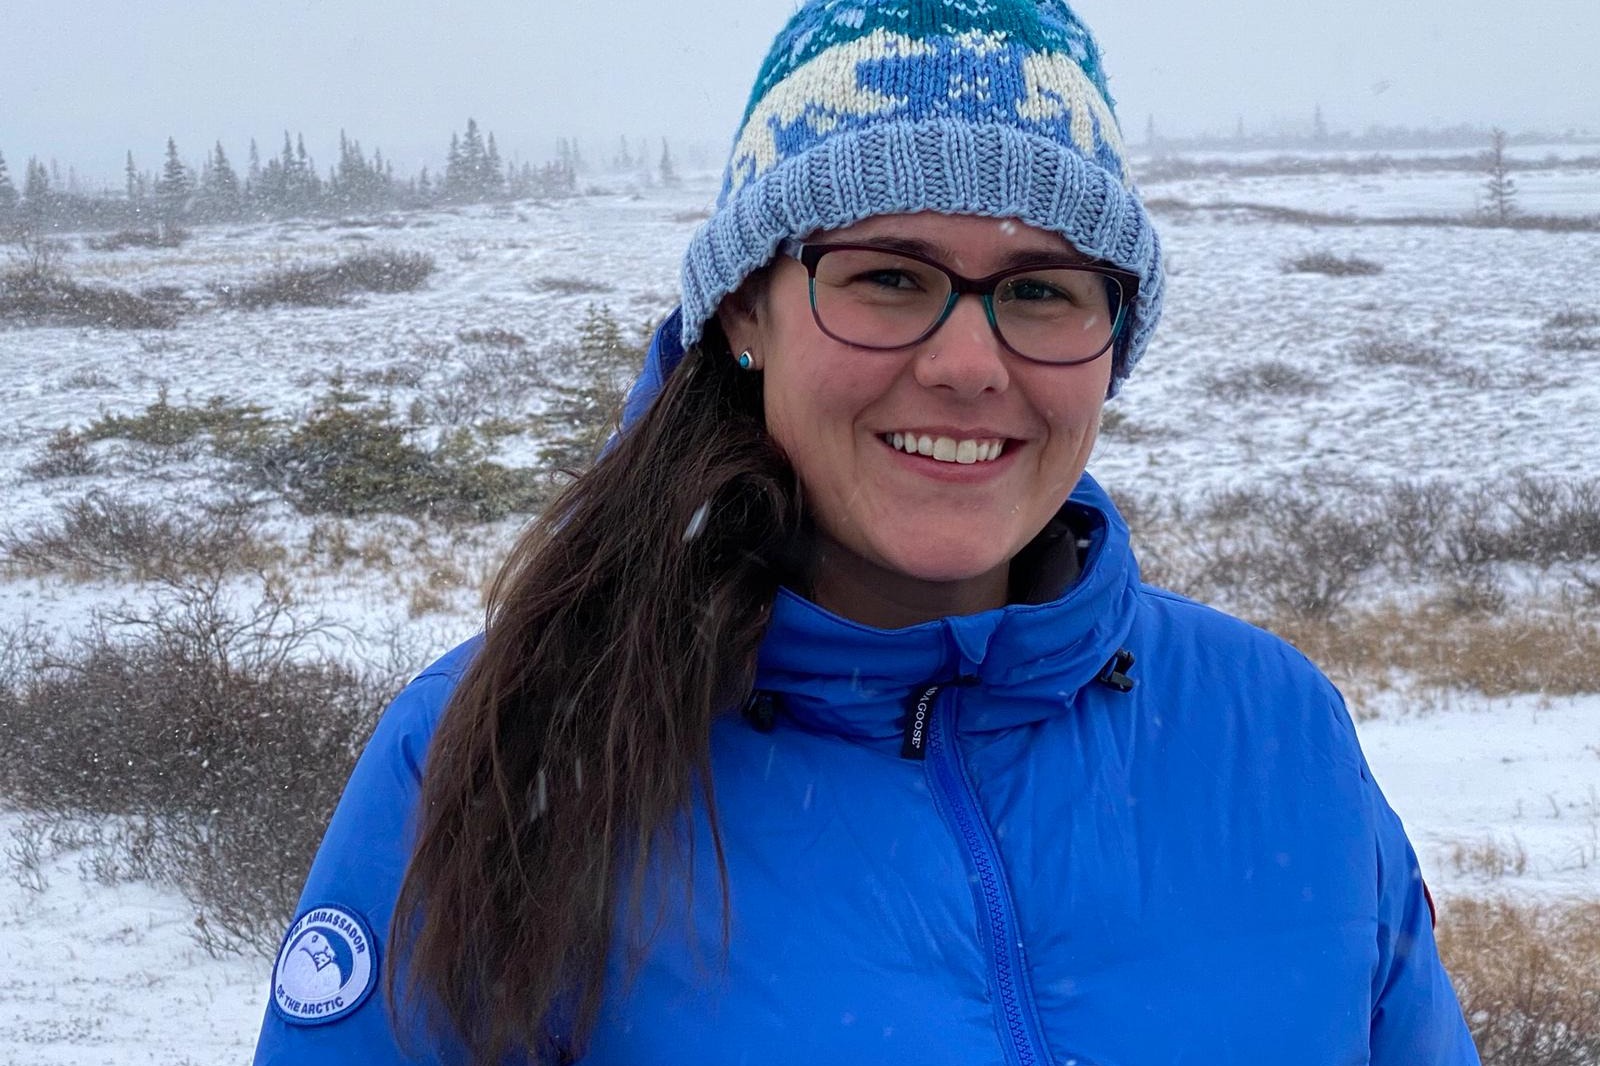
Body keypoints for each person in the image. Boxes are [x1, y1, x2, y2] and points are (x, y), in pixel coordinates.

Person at [253, 1, 1481, 1062]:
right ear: (745, 311)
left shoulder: (1274, 732)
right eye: (888, 275)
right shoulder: (518, 742)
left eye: (1042, 289)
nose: (965, 363)